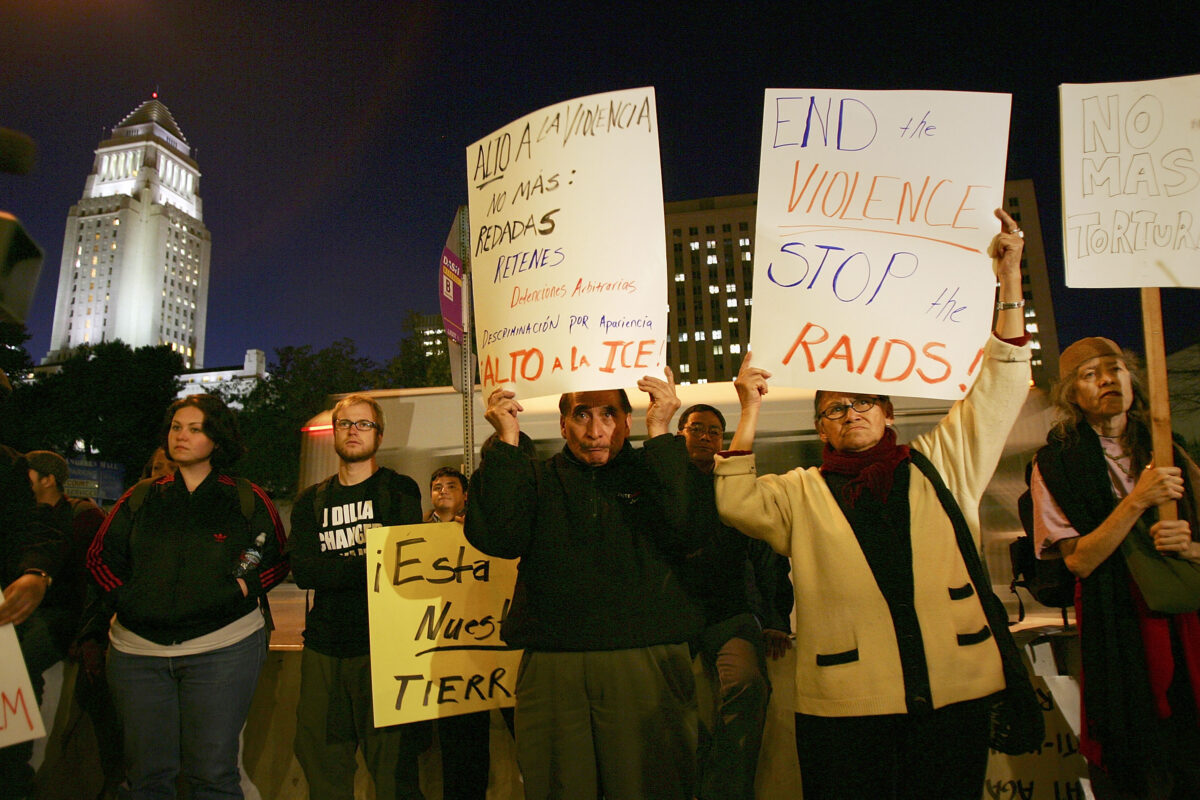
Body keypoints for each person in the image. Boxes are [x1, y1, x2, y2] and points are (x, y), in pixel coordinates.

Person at [715, 209, 1031, 800]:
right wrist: (749, 409)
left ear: (889, 414)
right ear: (820, 428)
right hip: (846, 706)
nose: (852, 411)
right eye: (835, 407)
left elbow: (1001, 386)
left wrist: (1008, 279)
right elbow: (735, 500)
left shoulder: (939, 465)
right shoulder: (802, 490)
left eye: (865, 402)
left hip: (951, 694)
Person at [465, 370, 705, 800]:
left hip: (644, 659)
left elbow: (689, 529)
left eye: (609, 415)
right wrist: (505, 440)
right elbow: (498, 539)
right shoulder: (538, 478)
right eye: (581, 415)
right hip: (554, 667)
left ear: (628, 421)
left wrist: (662, 432)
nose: (595, 431)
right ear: (562, 425)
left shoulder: (655, 469)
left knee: (653, 785)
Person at [86, 393, 288, 800]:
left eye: (196, 429)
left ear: (217, 438)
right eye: (177, 427)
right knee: (146, 778)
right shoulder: (140, 497)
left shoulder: (246, 496)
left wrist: (239, 589)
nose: (182, 436)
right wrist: (130, 602)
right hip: (137, 654)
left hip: (224, 649)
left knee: (213, 774)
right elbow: (98, 559)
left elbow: (277, 560)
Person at [1032, 337, 1200, 799]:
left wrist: (1189, 549)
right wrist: (1138, 500)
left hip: (1185, 617)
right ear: (1072, 395)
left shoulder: (1173, 446)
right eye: (1090, 375)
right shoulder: (1056, 462)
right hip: (1119, 620)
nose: (1107, 380)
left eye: (1116, 369)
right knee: (1139, 753)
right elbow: (1080, 560)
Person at [288, 393, 428, 799]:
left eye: (363, 424)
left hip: (384, 652)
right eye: (345, 423)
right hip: (324, 650)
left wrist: (337, 570)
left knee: (393, 771)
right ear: (335, 433)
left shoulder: (398, 490)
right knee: (324, 767)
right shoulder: (310, 501)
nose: (353, 431)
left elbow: (403, 565)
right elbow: (305, 572)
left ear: (379, 435)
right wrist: (370, 563)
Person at [676, 403, 794, 800]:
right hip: (673, 614)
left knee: (749, 685)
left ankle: (722, 789)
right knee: (660, 700)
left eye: (714, 431)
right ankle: (705, 774)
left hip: (730, 611)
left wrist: (776, 617)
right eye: (697, 428)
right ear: (680, 434)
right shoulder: (663, 483)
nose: (706, 437)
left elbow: (769, 556)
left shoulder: (738, 484)